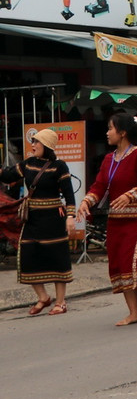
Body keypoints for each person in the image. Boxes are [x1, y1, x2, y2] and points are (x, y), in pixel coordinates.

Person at [78, 114, 137, 326]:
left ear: (122, 132)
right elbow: (99, 186)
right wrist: (86, 201)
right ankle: (133, 312)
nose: (107, 132)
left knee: (133, 262)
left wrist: (129, 195)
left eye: (110, 128)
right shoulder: (108, 159)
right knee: (119, 263)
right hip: (116, 218)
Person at [0, 129, 75, 316]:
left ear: (47, 145)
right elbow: (8, 175)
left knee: (57, 258)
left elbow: (69, 195)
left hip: (53, 219)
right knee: (27, 256)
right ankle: (43, 297)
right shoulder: (28, 164)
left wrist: (71, 217)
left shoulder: (60, 167)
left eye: (37, 143)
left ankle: (61, 302)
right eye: (33, 142)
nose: (33, 146)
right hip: (33, 218)